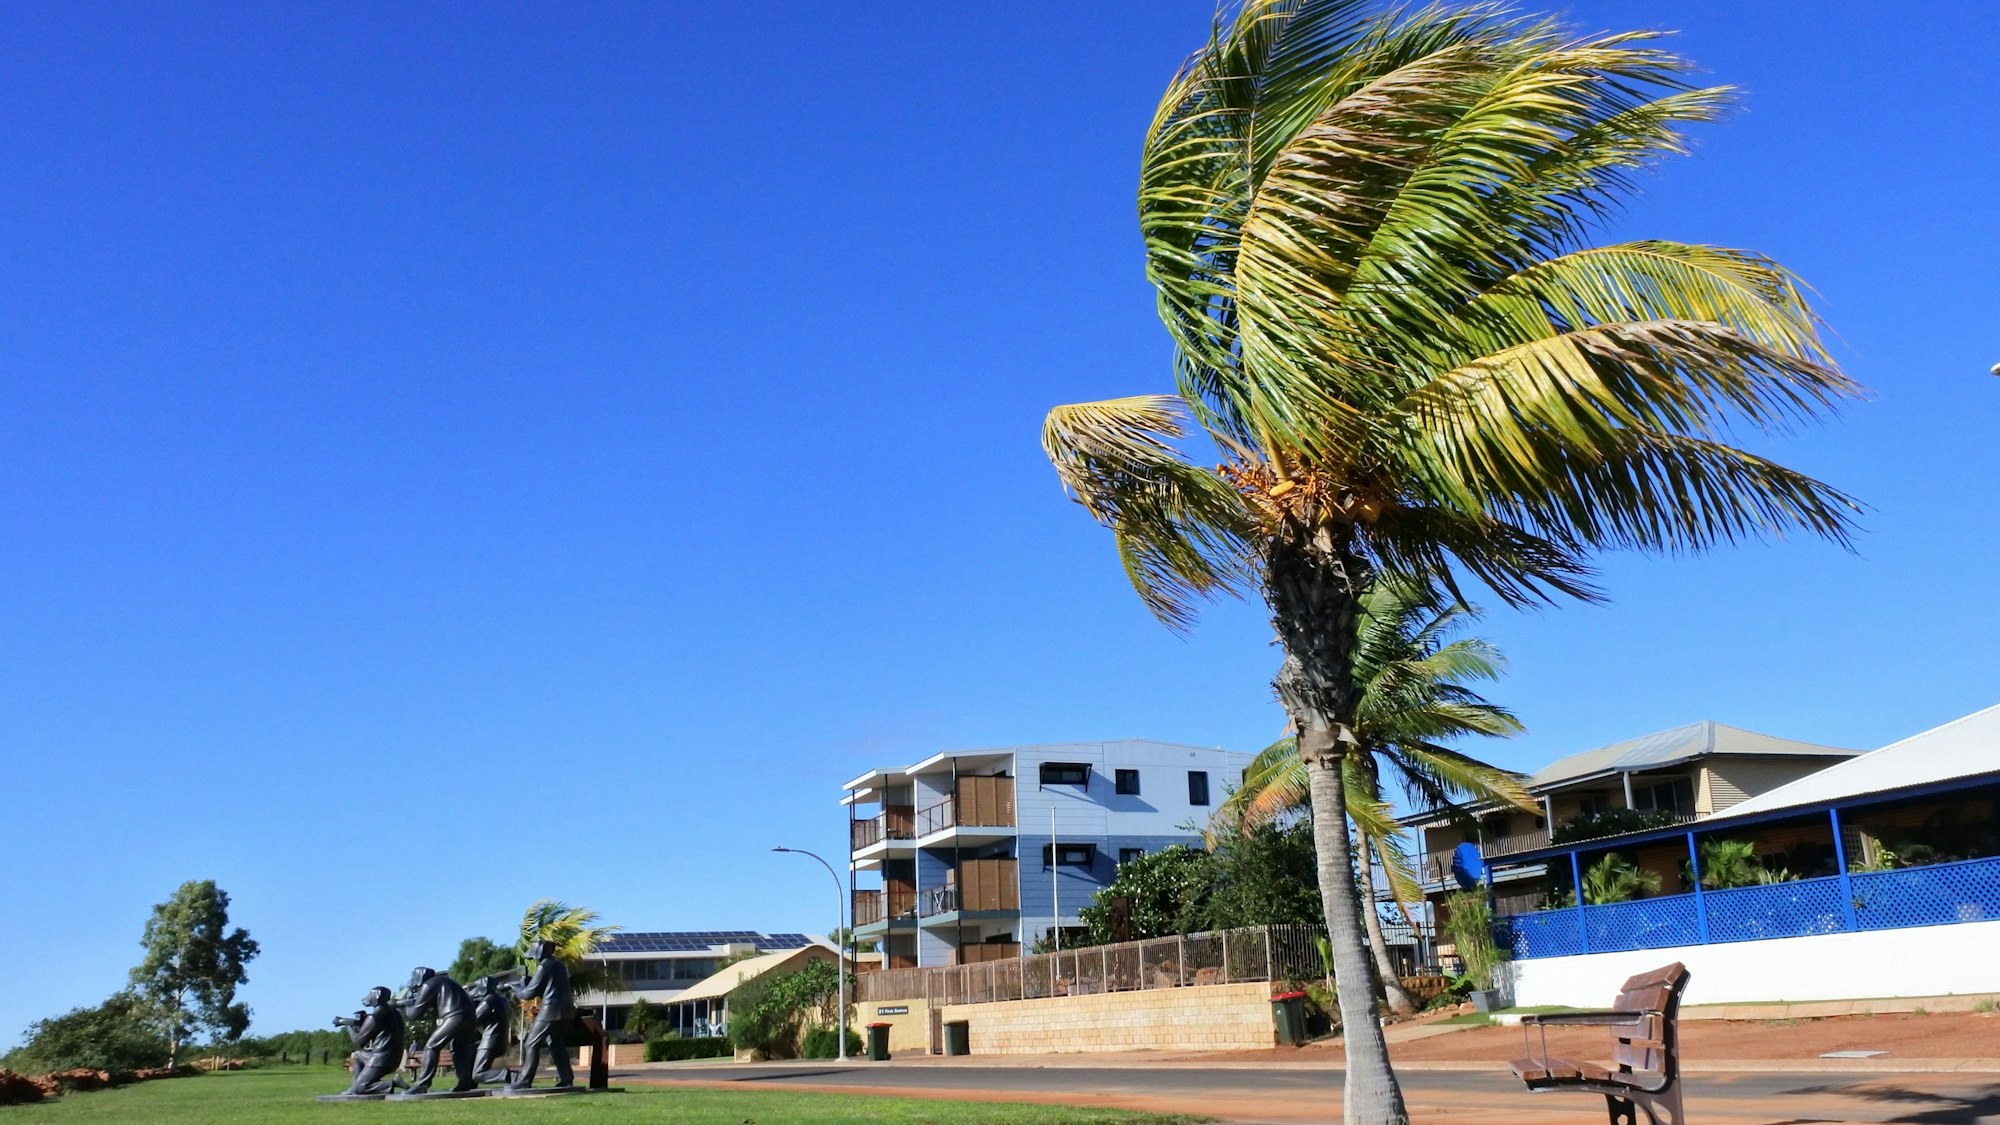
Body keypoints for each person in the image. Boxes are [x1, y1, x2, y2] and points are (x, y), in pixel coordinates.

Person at [507, 939, 574, 1089]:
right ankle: (567, 1078)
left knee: (531, 1043)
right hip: (566, 1010)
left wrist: (514, 987)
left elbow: (528, 994)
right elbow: (546, 986)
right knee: (556, 1043)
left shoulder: (544, 966)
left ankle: (524, 1080)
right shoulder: (559, 965)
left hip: (551, 1010)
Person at [400, 967, 478, 1093]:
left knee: (431, 1047)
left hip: (454, 1016)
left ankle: (421, 1084)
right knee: (459, 1049)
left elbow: (415, 1014)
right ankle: (465, 1082)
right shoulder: (443, 981)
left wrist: (407, 1005)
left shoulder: (428, 985)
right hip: (470, 1016)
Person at [333, 987, 407, 1096]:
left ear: (377, 996)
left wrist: (348, 1024)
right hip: (393, 1057)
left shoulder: (376, 1017)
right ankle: (354, 1088)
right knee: (358, 1055)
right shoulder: (394, 1013)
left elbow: (358, 1043)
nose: (367, 997)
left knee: (362, 1087)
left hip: (381, 1059)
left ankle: (392, 1083)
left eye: (370, 995)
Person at [466, 975, 516, 1085]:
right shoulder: (502, 1000)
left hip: (489, 1042)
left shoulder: (488, 1002)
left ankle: (510, 1076)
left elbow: (474, 1021)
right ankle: (467, 1082)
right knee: (469, 1052)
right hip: (501, 1042)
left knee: (478, 1074)